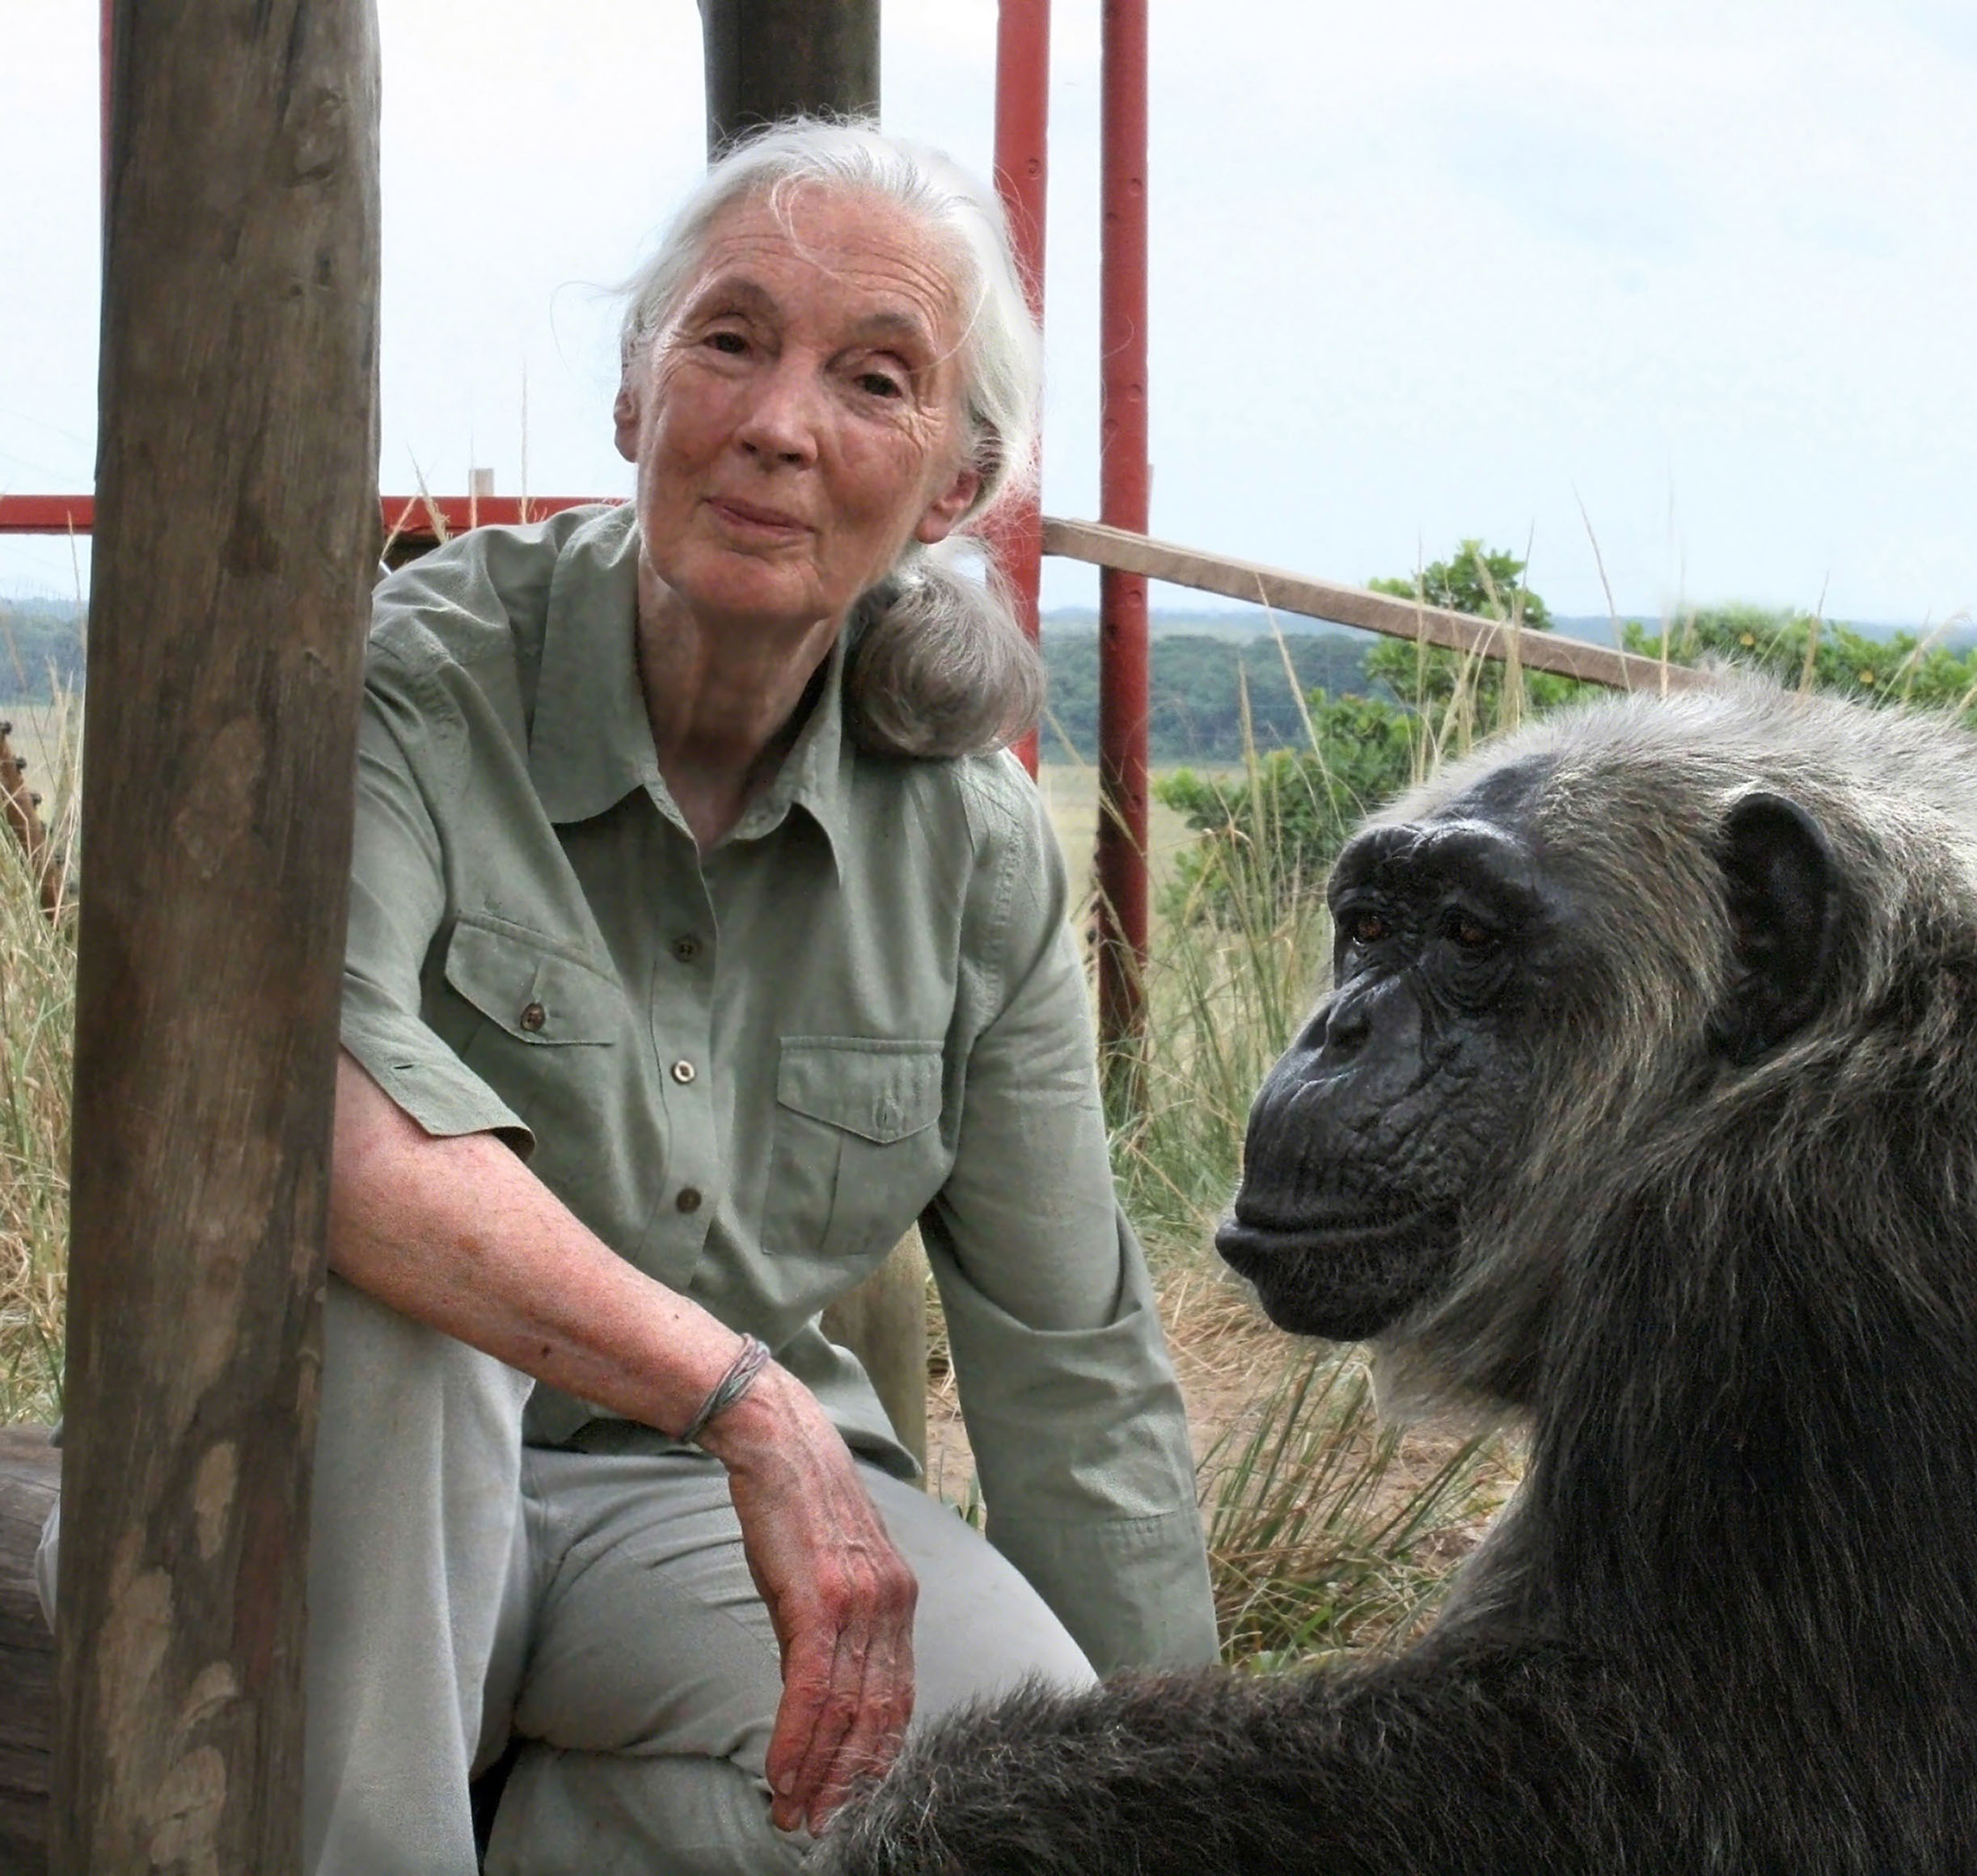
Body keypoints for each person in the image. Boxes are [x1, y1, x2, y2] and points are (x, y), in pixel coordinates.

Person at [39, 118, 1216, 1876]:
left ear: (952, 486)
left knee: (1008, 1760)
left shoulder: (971, 850)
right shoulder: (407, 692)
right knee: (406, 1308)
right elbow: (325, 1121)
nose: (777, 422)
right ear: (634, 394)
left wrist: (1184, 1802)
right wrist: (751, 1400)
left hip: (671, 1539)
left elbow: (1073, 1368)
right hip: (325, 1503)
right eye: (729, 339)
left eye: (874, 379)